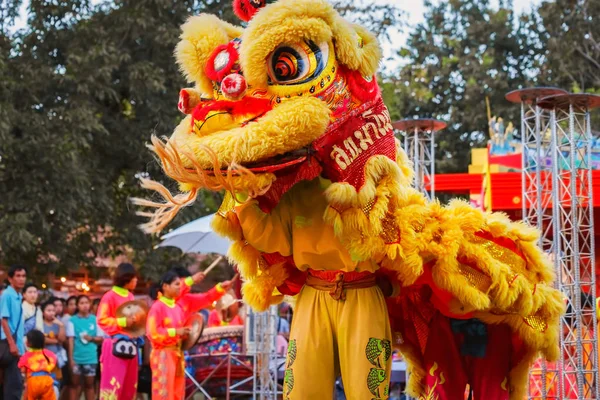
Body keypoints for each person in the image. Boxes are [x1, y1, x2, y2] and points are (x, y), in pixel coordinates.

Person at [146, 271, 233, 400]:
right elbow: (152, 333)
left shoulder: (179, 306)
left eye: (181, 284)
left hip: (178, 353)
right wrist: (176, 332)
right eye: (177, 284)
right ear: (165, 286)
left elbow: (207, 298)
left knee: (178, 393)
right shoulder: (158, 307)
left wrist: (220, 288)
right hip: (163, 355)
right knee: (163, 393)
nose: (181, 286)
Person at [97, 262, 140, 400]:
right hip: (115, 345)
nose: (136, 281)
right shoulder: (109, 296)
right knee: (113, 386)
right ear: (126, 278)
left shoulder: (131, 296)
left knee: (129, 386)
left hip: (131, 345)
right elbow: (102, 319)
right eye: (134, 278)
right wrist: (122, 322)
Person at [67, 295, 102, 400]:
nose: (84, 306)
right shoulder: (72, 320)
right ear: (77, 305)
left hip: (91, 358)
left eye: (86, 303)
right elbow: (70, 340)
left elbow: (101, 338)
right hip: (76, 358)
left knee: (89, 386)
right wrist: (71, 359)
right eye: (81, 303)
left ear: (90, 304)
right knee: (74, 385)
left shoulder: (95, 320)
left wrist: (91, 338)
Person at [0, 265, 27, 400]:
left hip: (15, 346)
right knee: (14, 387)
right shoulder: (7, 295)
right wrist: (12, 344)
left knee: (12, 385)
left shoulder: (18, 295)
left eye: (23, 276)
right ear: (10, 279)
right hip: (8, 345)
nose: (21, 279)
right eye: (18, 276)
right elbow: (3, 320)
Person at [18, 329, 58, 400]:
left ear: (28, 343)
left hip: (33, 381)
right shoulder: (50, 354)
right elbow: (53, 363)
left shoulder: (26, 356)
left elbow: (22, 370)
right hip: (47, 380)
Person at [41, 301, 66, 391]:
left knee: (55, 384)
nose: (51, 313)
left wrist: (61, 326)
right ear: (43, 312)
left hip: (56, 359)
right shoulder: (40, 324)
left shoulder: (57, 324)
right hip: (43, 359)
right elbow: (42, 340)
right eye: (48, 310)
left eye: (53, 310)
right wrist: (56, 341)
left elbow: (62, 339)